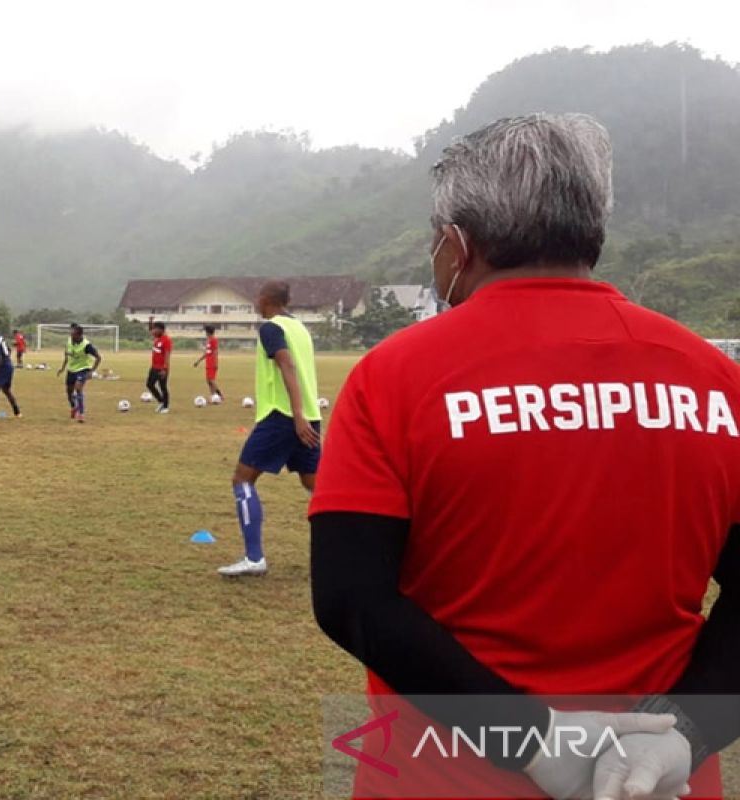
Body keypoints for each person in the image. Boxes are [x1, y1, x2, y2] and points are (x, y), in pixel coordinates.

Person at [309, 114, 740, 800]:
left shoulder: (396, 377)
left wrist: (532, 740)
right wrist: (684, 731)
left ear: (456, 245)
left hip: (439, 774)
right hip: (655, 782)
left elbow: (351, 597)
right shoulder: (713, 379)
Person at [217, 282, 321, 578]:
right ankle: (348, 555)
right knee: (319, 489)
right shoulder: (300, 328)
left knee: (242, 480)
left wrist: (296, 416)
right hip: (310, 418)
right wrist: (304, 417)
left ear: (265, 300)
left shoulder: (271, 329)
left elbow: (287, 367)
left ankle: (254, 558)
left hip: (283, 416)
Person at [57, 323, 102, 423]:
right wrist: (62, 368)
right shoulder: (69, 341)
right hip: (71, 369)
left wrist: (91, 371)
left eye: (73, 335)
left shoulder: (87, 346)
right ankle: (74, 406)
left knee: (78, 389)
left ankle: (81, 414)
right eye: (71, 334)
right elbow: (66, 355)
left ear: (79, 335)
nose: (71, 336)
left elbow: (98, 358)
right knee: (69, 392)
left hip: (83, 369)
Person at [146, 320, 172, 413]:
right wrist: (150, 322)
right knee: (149, 384)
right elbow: (150, 331)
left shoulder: (166, 340)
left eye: (155, 329)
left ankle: (165, 407)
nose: (153, 331)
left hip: (162, 368)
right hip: (154, 367)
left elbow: (167, 355)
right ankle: (161, 401)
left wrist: (165, 369)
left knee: (163, 387)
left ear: (161, 329)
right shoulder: (157, 338)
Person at [193, 324, 224, 401]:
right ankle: (213, 396)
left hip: (212, 363)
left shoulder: (214, 340)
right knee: (208, 381)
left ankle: (220, 395)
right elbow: (206, 353)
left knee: (211, 380)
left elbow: (215, 352)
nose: (205, 333)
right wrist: (198, 361)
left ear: (208, 332)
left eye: (206, 331)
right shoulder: (208, 341)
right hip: (208, 363)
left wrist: (215, 363)